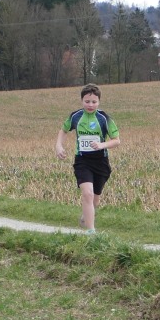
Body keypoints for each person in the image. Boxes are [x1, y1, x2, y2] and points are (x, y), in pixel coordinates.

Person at [54, 83, 121, 233]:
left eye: (94, 102)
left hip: (101, 162)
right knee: (87, 194)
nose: (90, 105)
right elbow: (63, 130)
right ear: (82, 101)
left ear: (99, 102)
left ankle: (86, 216)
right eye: (87, 101)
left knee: (95, 199)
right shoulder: (75, 116)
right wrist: (58, 146)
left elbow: (116, 140)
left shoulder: (104, 118)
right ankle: (91, 232)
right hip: (82, 161)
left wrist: (102, 145)